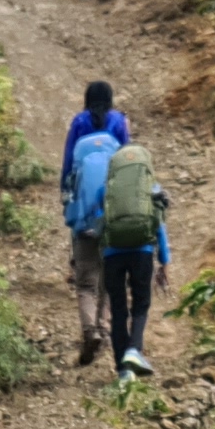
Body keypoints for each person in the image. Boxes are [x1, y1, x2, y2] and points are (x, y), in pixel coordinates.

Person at [92, 131, 171, 378]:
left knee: (117, 309)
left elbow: (98, 222)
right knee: (141, 303)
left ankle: (123, 371)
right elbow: (158, 224)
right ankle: (134, 350)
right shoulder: (152, 187)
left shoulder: (105, 190)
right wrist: (165, 260)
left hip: (113, 253)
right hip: (142, 251)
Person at [60, 80, 127, 364]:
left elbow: (67, 166)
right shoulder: (118, 122)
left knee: (85, 281)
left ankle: (90, 332)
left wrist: (66, 199)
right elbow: (129, 161)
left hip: (84, 214)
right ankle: (103, 326)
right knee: (110, 279)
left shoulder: (79, 122)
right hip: (112, 213)